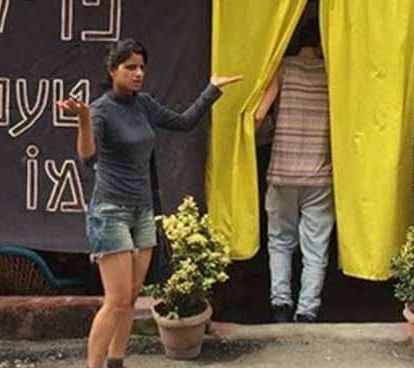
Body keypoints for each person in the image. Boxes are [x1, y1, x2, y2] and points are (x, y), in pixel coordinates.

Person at [58, 39, 242, 368]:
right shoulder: (100, 110)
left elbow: (184, 122)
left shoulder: (143, 104)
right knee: (114, 300)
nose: (138, 73)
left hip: (142, 212)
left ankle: (117, 362)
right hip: (110, 211)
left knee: (130, 298)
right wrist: (83, 118)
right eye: (130, 67)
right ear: (112, 70)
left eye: (142, 66)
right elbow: (87, 157)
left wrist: (211, 89)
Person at [253, 20, 333, 324]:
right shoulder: (332, 72)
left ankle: (281, 305)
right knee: (316, 246)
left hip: (282, 171)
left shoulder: (283, 68)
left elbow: (260, 114)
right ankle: (308, 310)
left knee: (280, 240)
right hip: (320, 175)